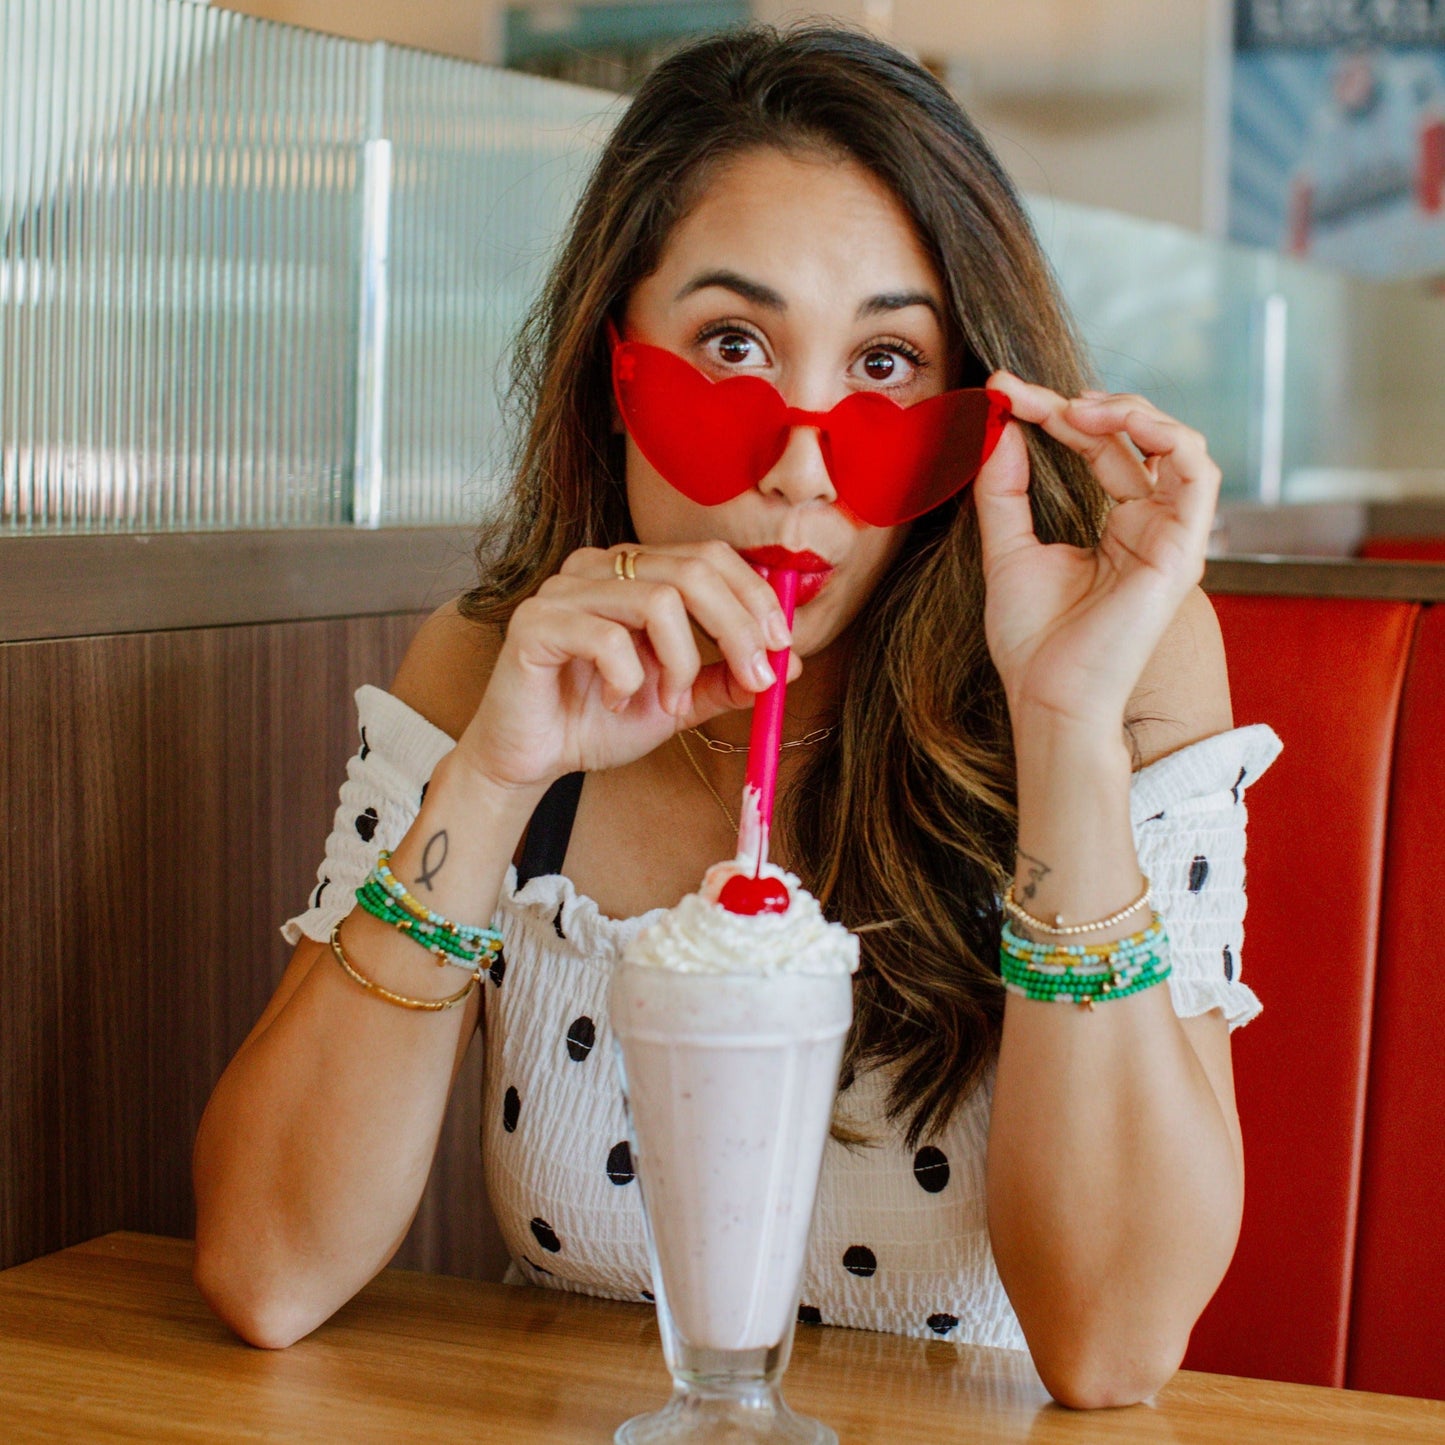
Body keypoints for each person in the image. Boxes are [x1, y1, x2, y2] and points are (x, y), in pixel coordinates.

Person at [192, 23, 1280, 1409]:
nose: (801, 468)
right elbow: (268, 1265)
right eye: (730, 343)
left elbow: (1113, 1344)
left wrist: (1060, 725)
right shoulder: (494, 671)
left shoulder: (1116, 666)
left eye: (884, 363)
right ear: (612, 368)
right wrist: (493, 779)